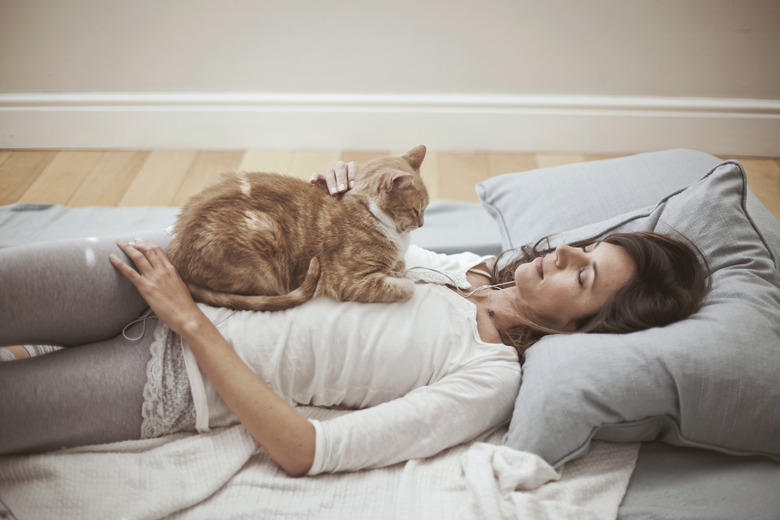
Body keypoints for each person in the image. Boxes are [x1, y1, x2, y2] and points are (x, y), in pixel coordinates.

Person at [0, 162, 710, 477]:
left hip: (171, 375)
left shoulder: (486, 378)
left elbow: (305, 451)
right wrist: (325, 203)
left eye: (582, 276)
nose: (560, 255)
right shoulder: (461, 266)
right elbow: (345, 248)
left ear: (588, 329)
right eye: (580, 248)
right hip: (178, 264)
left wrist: (189, 323)